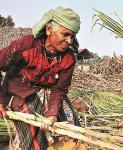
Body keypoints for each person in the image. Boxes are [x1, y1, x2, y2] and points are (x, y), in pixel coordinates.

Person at [0, 6, 81, 149]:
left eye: (73, 36)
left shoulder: (68, 58)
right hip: (20, 94)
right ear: (49, 29)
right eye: (65, 34)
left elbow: (60, 89)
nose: (69, 41)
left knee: (69, 125)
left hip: (48, 94)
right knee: (32, 136)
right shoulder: (26, 45)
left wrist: (53, 113)